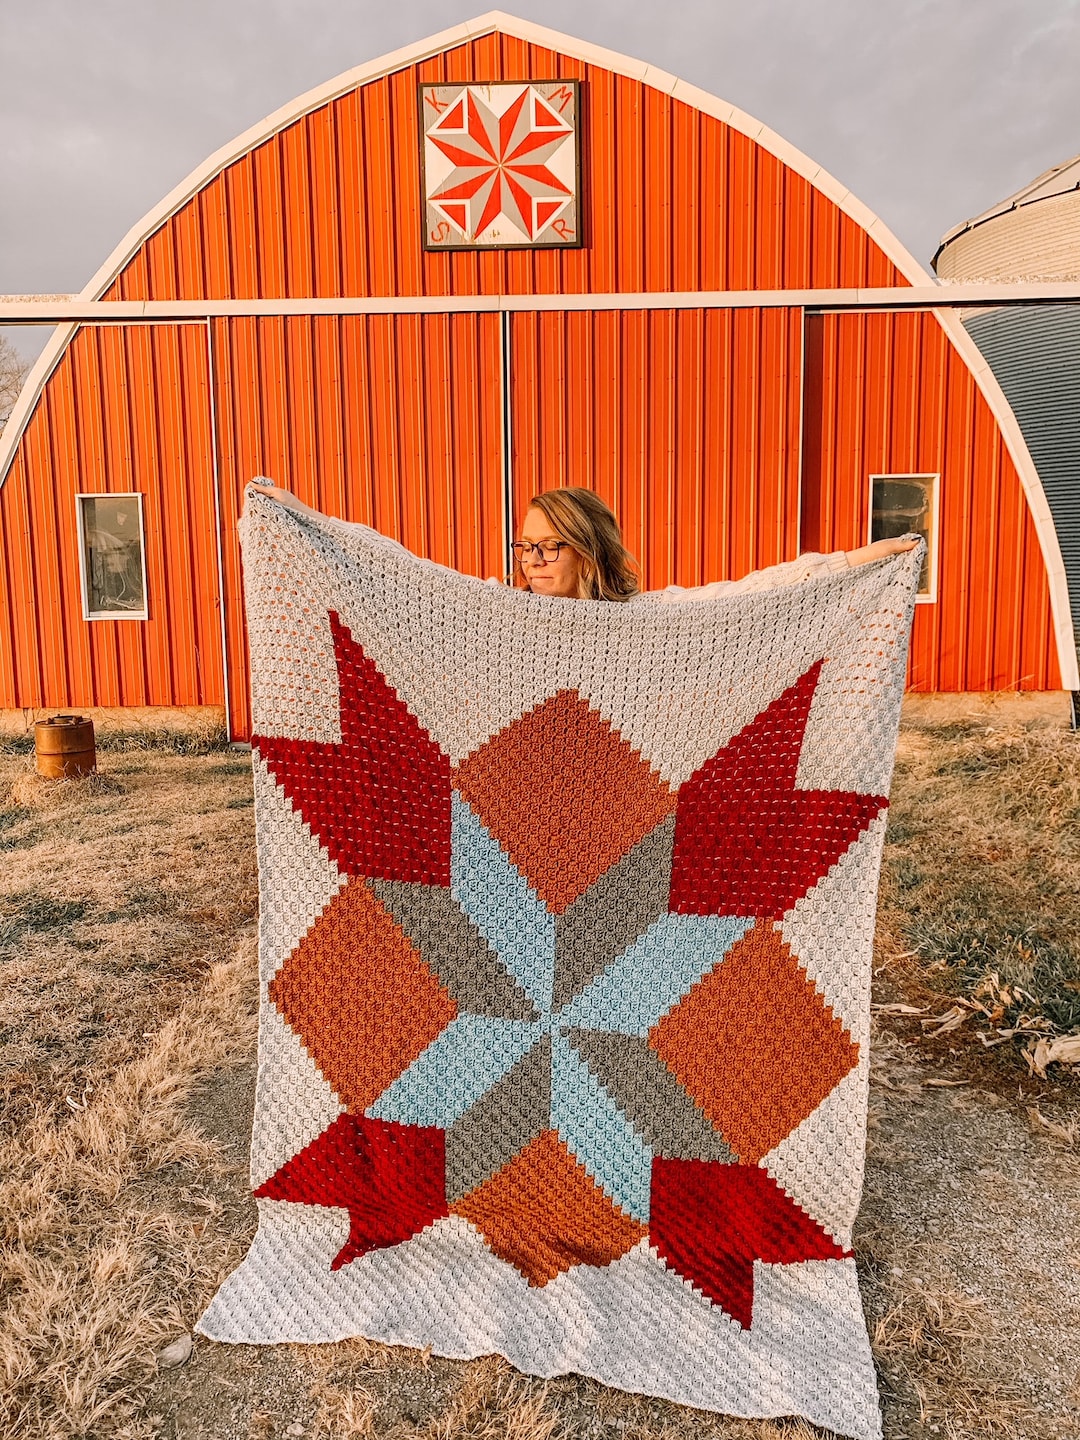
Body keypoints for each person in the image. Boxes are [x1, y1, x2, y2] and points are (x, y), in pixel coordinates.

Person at [250, 481, 918, 602]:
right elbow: (405, 572)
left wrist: (856, 563)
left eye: (550, 547)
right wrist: (309, 520)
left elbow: (751, 594)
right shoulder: (499, 611)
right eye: (524, 546)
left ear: (589, 553)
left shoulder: (646, 621)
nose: (532, 561)